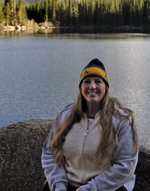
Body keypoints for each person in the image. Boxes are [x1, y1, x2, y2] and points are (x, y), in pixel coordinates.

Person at [42, 58, 139, 191]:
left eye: (98, 81)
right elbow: (49, 152)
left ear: (105, 87)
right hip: (67, 186)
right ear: (81, 87)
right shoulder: (65, 115)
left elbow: (126, 165)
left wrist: (90, 188)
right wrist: (58, 185)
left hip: (105, 188)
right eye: (87, 81)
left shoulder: (121, 119)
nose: (92, 86)